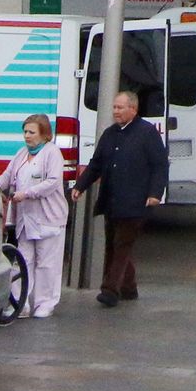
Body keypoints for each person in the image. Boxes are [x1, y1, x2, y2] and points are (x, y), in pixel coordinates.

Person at [71, 90, 168, 307]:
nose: (115, 111)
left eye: (120, 107)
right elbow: (96, 164)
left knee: (122, 244)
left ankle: (110, 290)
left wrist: (155, 193)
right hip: (112, 201)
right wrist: (80, 185)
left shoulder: (147, 133)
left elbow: (159, 165)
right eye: (114, 107)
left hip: (135, 202)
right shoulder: (110, 134)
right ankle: (129, 287)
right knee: (115, 244)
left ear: (133, 109)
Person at [0, 114, 69, 318]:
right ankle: (20, 303)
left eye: (31, 132)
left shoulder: (52, 153)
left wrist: (27, 193)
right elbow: (6, 178)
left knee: (46, 263)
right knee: (22, 262)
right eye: (25, 132)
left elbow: (53, 182)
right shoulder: (21, 154)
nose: (27, 136)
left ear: (44, 134)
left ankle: (45, 303)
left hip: (48, 219)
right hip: (25, 221)